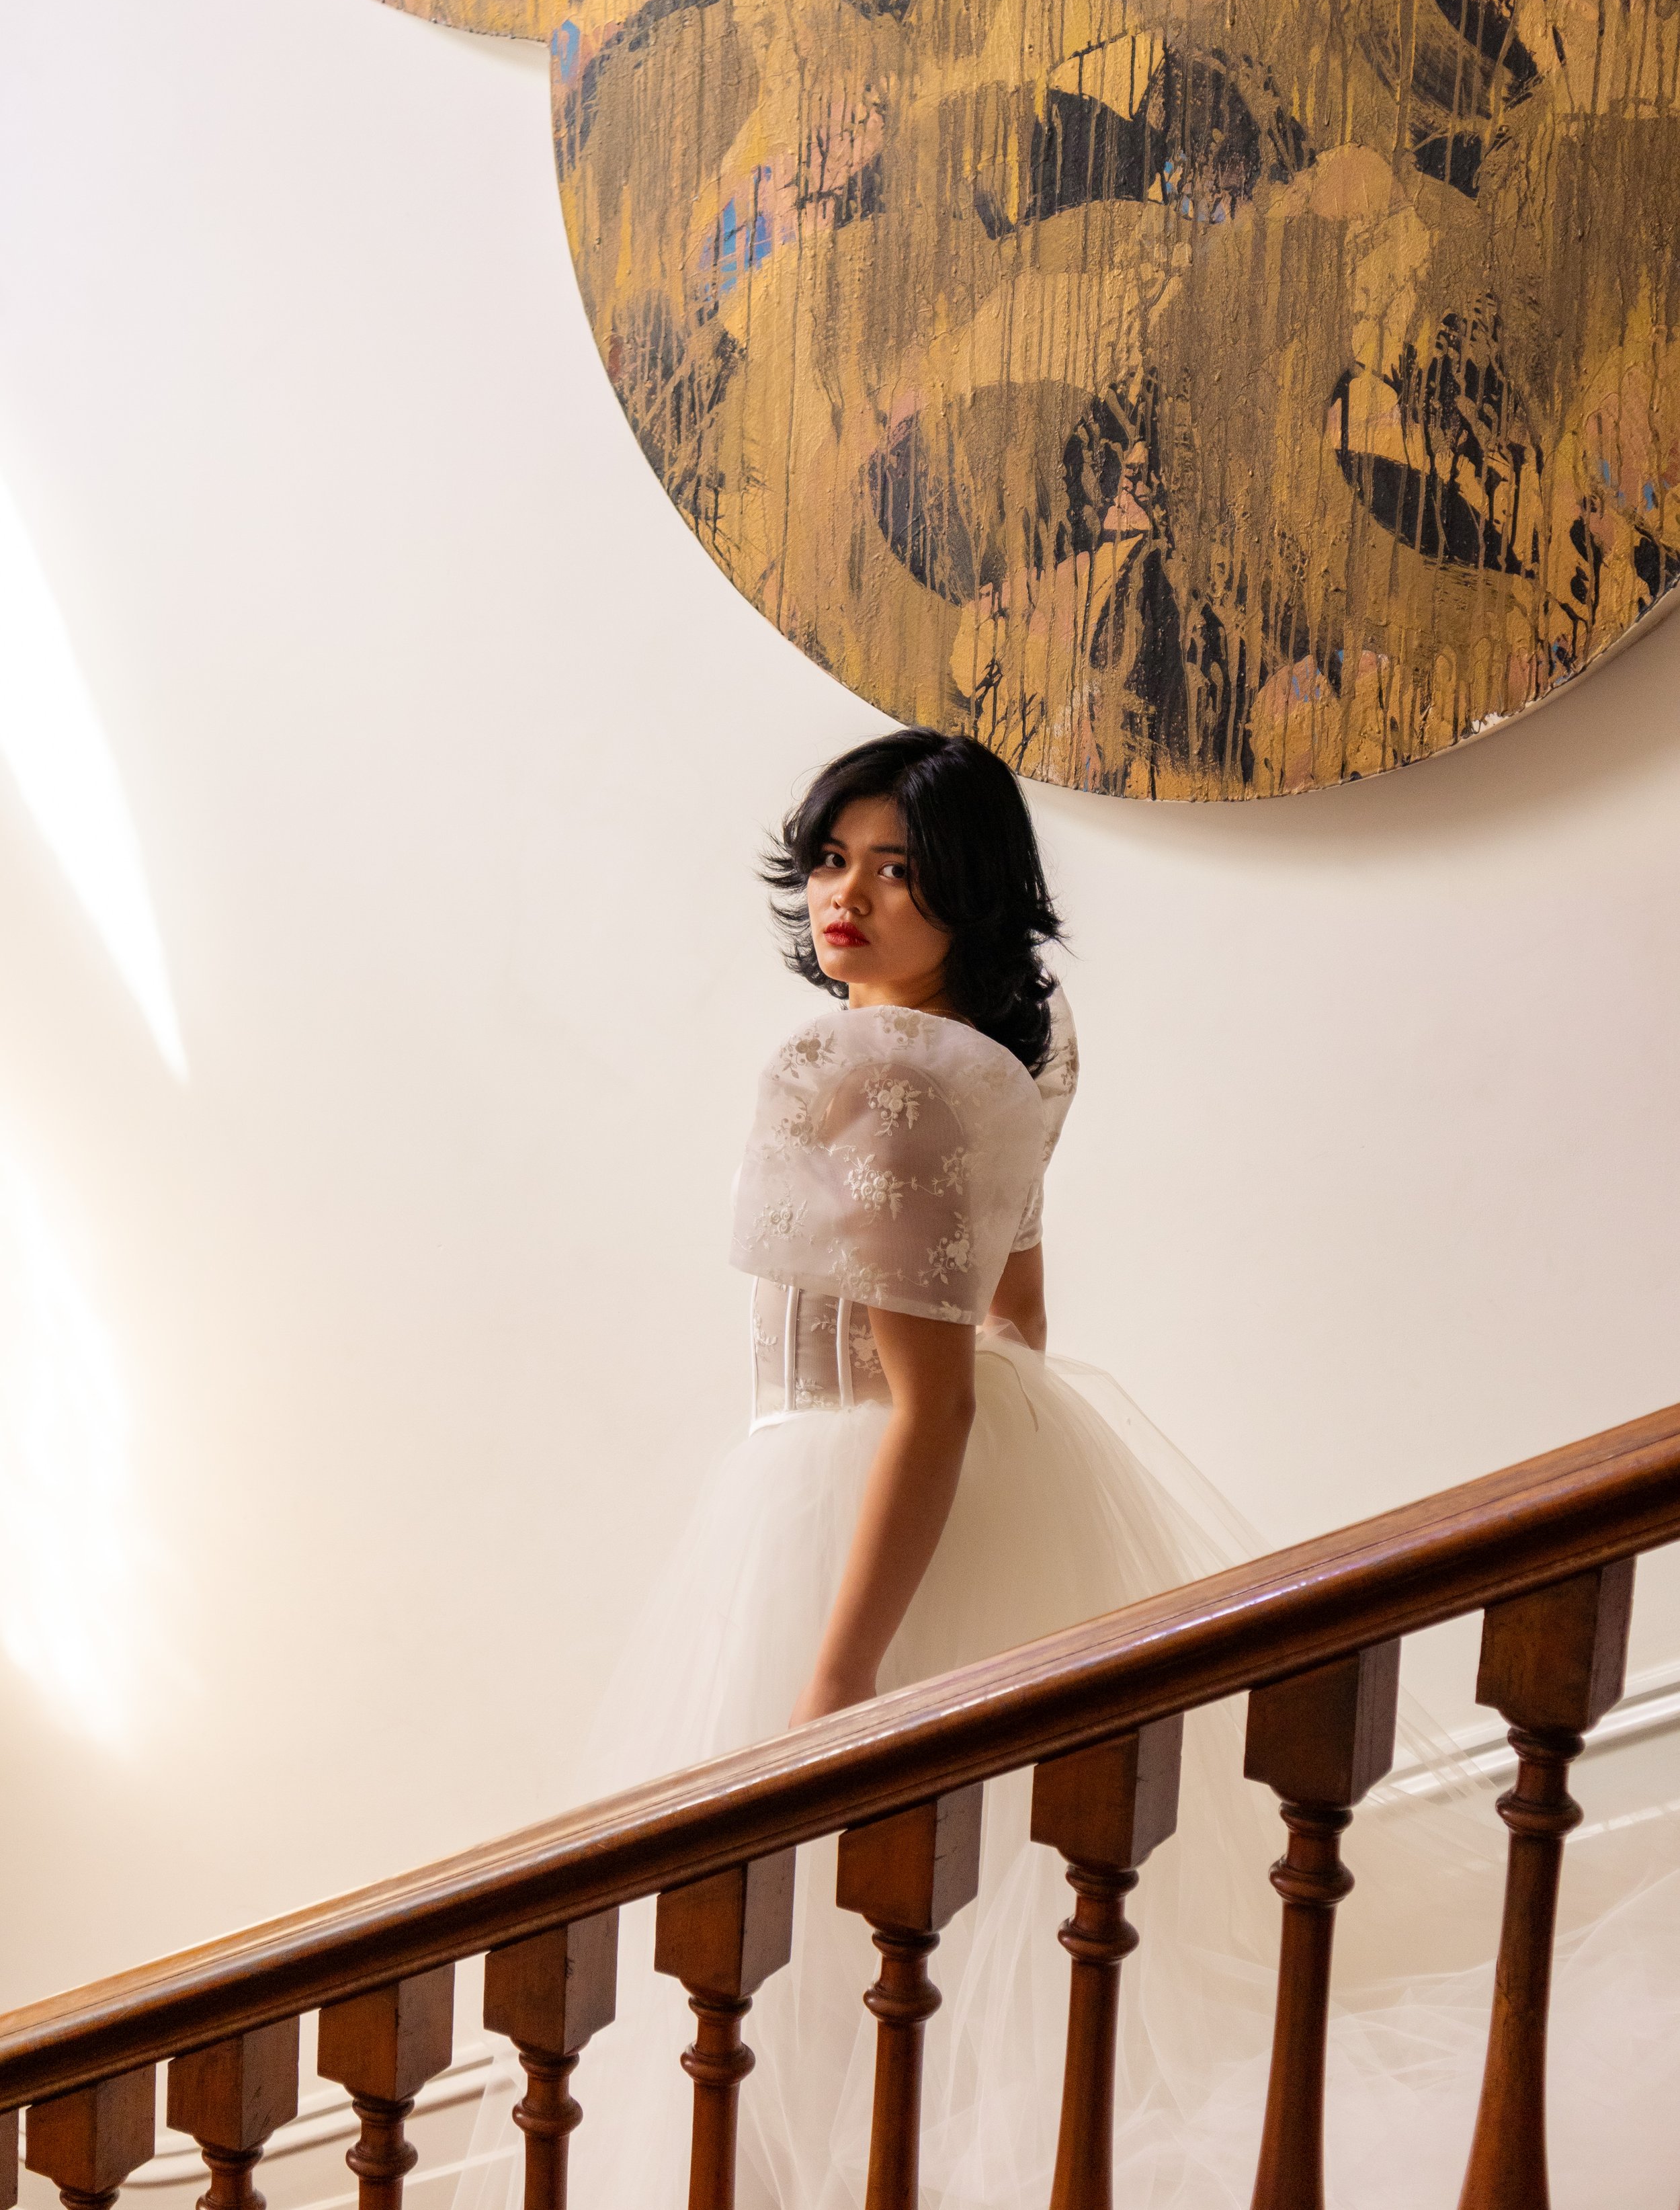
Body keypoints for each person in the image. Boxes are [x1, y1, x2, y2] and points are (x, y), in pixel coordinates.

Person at [458, 729, 1680, 2210]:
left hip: (839, 1496)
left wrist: (835, 1677)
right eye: (835, 860)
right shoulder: (1017, 1054)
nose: (849, 897)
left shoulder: (852, 1062)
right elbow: (1014, 1323)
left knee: (806, 1936)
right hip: (983, 1480)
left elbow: (926, 1405)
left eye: (900, 871)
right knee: (983, 1928)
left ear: (967, 894)